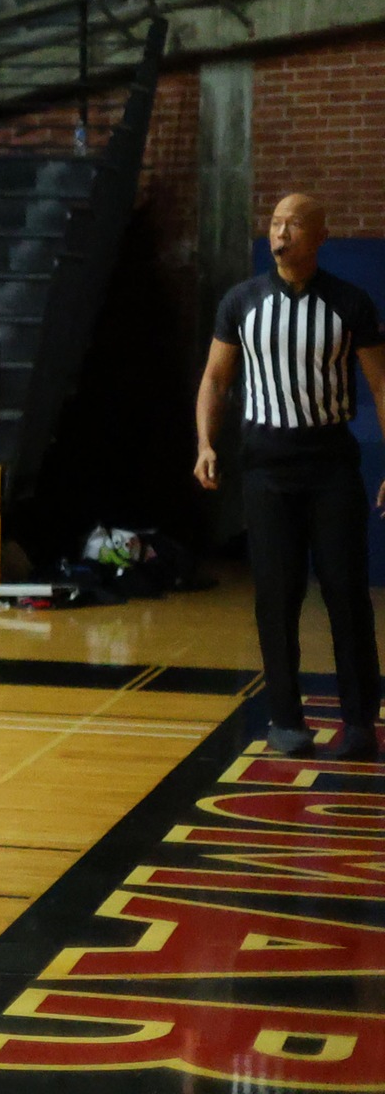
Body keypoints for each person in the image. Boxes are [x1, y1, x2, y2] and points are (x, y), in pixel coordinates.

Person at [195, 194, 385, 761]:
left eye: (294, 224)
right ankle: (285, 718)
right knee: (276, 596)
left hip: (330, 465)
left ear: (321, 235)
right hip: (265, 467)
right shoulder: (242, 302)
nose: (281, 233)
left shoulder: (350, 303)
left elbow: (383, 384)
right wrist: (205, 443)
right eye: (275, 224)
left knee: (346, 592)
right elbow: (214, 380)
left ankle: (358, 723)